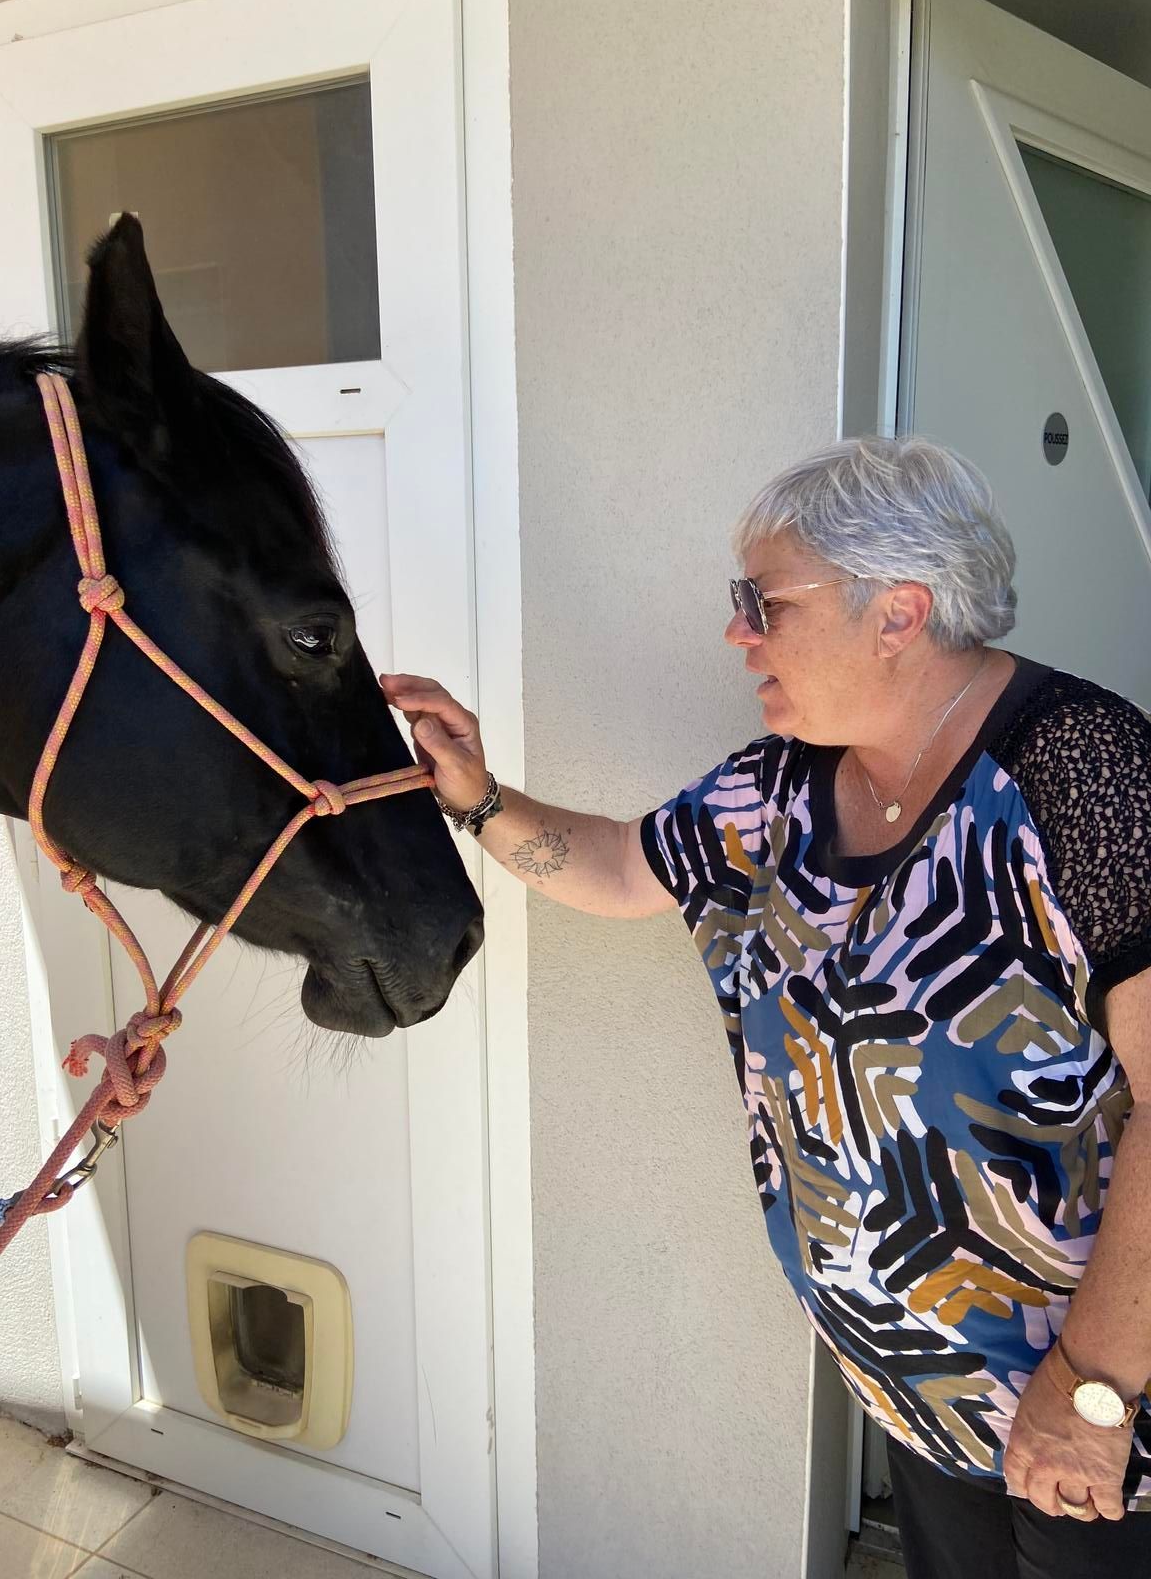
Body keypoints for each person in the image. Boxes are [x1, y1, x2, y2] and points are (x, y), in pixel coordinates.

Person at [382, 436, 1151, 1579]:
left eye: (763, 602)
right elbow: (616, 867)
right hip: (913, 1393)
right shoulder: (783, 781)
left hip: (1088, 1406)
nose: (737, 632)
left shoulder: (1086, 772)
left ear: (897, 612)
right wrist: (477, 794)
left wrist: (1094, 1385)